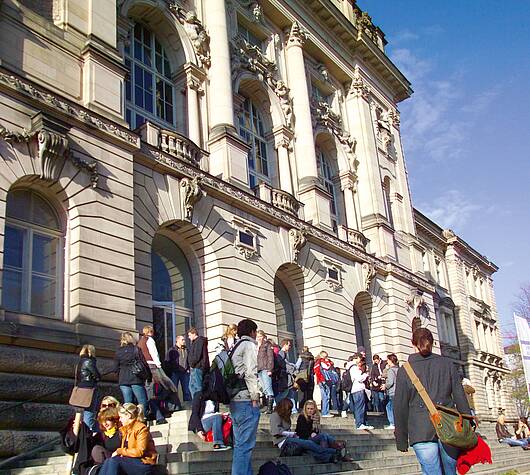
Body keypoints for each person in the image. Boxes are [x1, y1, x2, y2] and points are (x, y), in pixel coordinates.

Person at [394, 328, 472, 475]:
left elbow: (400, 407)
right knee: (450, 472)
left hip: (420, 430)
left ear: (413, 344)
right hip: (449, 426)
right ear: (433, 343)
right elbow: (460, 397)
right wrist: (469, 423)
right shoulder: (447, 364)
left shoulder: (405, 370)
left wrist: (401, 439)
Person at [230, 318, 261, 475]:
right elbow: (251, 372)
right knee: (245, 446)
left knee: (240, 445)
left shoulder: (234, 347)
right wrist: (255, 397)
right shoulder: (248, 345)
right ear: (252, 332)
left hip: (235, 401)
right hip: (246, 399)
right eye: (255, 332)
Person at [270, 398, 344, 463]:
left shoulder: (286, 417)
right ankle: (336, 451)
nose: (290, 411)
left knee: (309, 449)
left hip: (291, 439)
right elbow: (275, 431)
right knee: (309, 443)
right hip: (282, 441)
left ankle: (330, 457)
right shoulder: (275, 415)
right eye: (289, 409)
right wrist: (291, 434)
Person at [99, 403, 158, 475]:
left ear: (129, 416)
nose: (120, 420)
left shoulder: (141, 428)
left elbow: (139, 452)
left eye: (121, 417)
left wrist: (119, 451)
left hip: (144, 463)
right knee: (108, 461)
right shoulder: (125, 430)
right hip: (131, 461)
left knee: (114, 461)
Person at [113, 332, 149, 413]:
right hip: (136, 378)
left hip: (123, 379)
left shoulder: (118, 351)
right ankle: (142, 419)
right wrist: (148, 376)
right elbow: (143, 363)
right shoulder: (136, 349)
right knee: (142, 401)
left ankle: (128, 420)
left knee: (127, 403)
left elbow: (115, 367)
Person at [77, 344, 101, 433]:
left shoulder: (79, 361)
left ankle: (80, 432)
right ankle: (87, 433)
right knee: (89, 412)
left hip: (80, 388)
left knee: (80, 413)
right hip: (89, 388)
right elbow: (97, 375)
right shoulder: (89, 361)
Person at [347, 354, 373, 430]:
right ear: (357, 358)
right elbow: (359, 378)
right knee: (360, 407)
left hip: (357, 389)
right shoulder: (354, 367)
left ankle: (363, 423)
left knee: (362, 407)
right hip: (358, 389)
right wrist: (365, 375)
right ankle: (359, 423)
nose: (360, 362)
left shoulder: (353, 367)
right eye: (360, 359)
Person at [165, 335, 192, 402]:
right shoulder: (172, 350)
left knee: (187, 390)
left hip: (185, 372)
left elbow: (189, 360)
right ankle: (174, 406)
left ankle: (188, 405)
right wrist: (171, 371)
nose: (184, 341)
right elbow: (167, 361)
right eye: (182, 340)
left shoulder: (186, 349)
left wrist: (188, 368)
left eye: (184, 340)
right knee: (174, 389)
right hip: (175, 372)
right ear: (177, 340)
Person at [187, 327, 210, 399]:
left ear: (194, 334)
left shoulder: (199, 341)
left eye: (190, 335)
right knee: (192, 386)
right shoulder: (196, 342)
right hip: (195, 367)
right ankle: (196, 402)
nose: (189, 337)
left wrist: (192, 364)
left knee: (197, 386)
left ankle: (198, 402)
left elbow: (197, 355)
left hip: (197, 367)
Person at [314, 351, 337, 418]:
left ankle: (325, 411)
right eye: (326, 356)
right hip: (324, 380)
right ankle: (325, 412)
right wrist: (329, 363)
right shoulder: (322, 361)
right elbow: (327, 368)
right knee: (326, 397)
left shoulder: (317, 362)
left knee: (325, 397)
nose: (327, 358)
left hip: (320, 381)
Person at [256, 330, 275, 413]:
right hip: (259, 369)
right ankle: (268, 407)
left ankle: (270, 408)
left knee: (268, 388)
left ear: (263, 336)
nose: (259, 338)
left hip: (265, 368)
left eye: (260, 336)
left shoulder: (267, 344)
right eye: (258, 336)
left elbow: (270, 357)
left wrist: (270, 369)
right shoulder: (257, 346)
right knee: (264, 389)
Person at [382, 353, 398, 430]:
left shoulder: (391, 370)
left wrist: (385, 386)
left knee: (389, 407)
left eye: (388, 360)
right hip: (398, 391)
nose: (387, 361)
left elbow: (390, 382)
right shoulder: (398, 369)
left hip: (392, 392)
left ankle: (392, 423)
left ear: (391, 360)